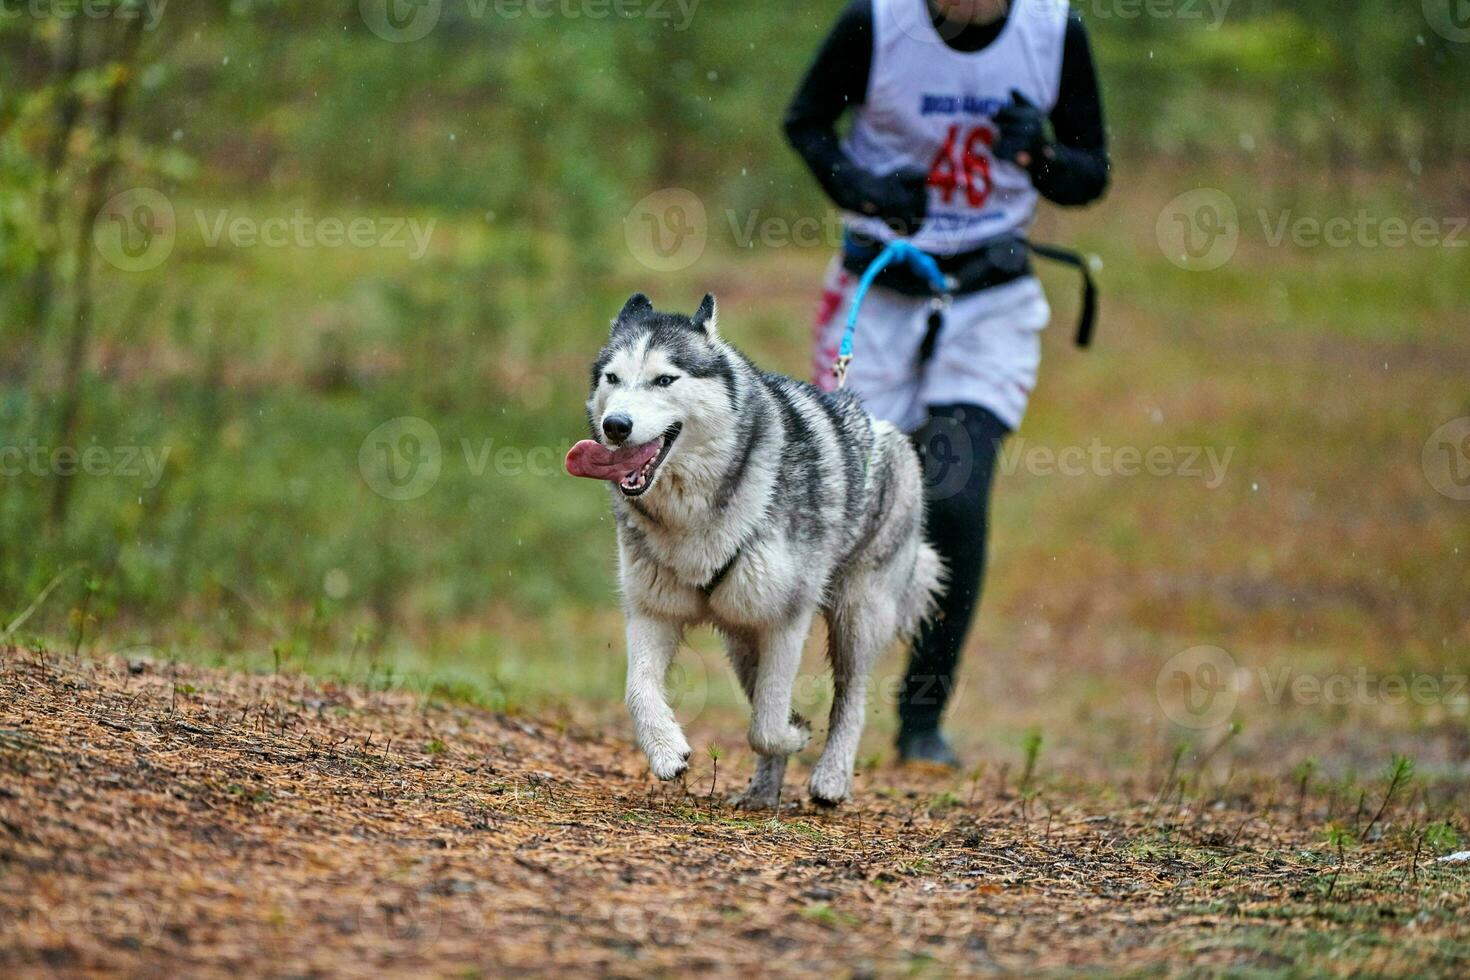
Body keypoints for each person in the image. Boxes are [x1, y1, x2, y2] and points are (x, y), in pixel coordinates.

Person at [784, 0, 1110, 766]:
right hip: (878, 294)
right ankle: (807, 698)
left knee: (955, 497)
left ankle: (922, 722)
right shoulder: (875, 22)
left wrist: (1042, 159)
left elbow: (1090, 174)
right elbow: (803, 124)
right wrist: (862, 189)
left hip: (989, 302)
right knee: (843, 505)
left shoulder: (1054, 32)